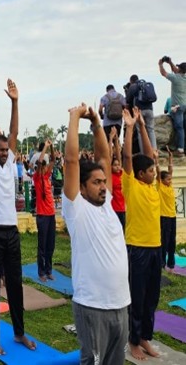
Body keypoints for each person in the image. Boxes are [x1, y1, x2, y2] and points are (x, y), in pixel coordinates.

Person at [62, 103, 130, 365]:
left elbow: (104, 157)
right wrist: (75, 119)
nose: (103, 187)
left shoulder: (108, 205)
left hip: (121, 304)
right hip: (93, 307)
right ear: (81, 186)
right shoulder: (76, 208)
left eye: (104, 182)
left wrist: (97, 123)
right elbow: (70, 161)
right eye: (96, 183)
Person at [0, 78, 36, 353]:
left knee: (15, 284)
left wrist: (15, 101)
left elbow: (14, 131)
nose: (5, 153)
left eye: (7, 150)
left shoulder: (9, 162)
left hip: (11, 231)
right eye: (1, 150)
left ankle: (19, 333)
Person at [122, 107, 162, 360]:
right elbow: (128, 157)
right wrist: (129, 128)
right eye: (150, 171)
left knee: (151, 298)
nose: (154, 173)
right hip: (137, 248)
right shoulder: (132, 185)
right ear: (140, 174)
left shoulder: (153, 184)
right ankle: (133, 340)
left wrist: (143, 127)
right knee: (136, 298)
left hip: (155, 247)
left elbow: (150, 156)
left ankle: (145, 337)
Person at [32, 139, 56, 282]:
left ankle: (49, 270)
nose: (46, 168)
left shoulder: (47, 177)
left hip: (51, 214)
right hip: (42, 216)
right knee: (42, 246)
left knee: (50, 245)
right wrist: (45, 148)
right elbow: (41, 162)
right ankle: (41, 272)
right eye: (43, 167)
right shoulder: (37, 178)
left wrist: (52, 147)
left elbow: (53, 159)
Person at [159, 57, 186, 155]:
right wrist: (170, 62)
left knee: (179, 128)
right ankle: (184, 147)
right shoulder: (183, 77)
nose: (176, 68)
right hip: (185, 105)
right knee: (184, 126)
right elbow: (176, 71)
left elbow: (164, 73)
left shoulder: (176, 78)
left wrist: (160, 64)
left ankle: (180, 149)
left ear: (181, 70)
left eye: (178, 68)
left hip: (177, 107)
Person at [157, 147, 176, 274]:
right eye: (168, 179)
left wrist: (170, 157)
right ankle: (162, 263)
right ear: (162, 180)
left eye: (170, 179)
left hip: (172, 216)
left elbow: (170, 170)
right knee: (164, 241)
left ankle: (171, 263)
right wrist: (155, 159)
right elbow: (158, 172)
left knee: (172, 241)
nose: (170, 180)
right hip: (163, 217)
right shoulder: (160, 186)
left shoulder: (170, 186)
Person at [125, 74, 157, 150]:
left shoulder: (133, 86)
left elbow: (127, 100)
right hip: (150, 110)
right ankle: (154, 150)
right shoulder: (146, 84)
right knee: (151, 130)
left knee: (140, 132)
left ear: (131, 81)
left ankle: (143, 152)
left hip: (139, 111)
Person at [108, 127, 126, 230]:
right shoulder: (110, 175)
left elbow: (119, 156)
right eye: (115, 165)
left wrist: (116, 140)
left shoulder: (121, 174)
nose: (117, 167)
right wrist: (110, 139)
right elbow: (110, 156)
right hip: (114, 208)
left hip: (123, 209)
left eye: (118, 165)